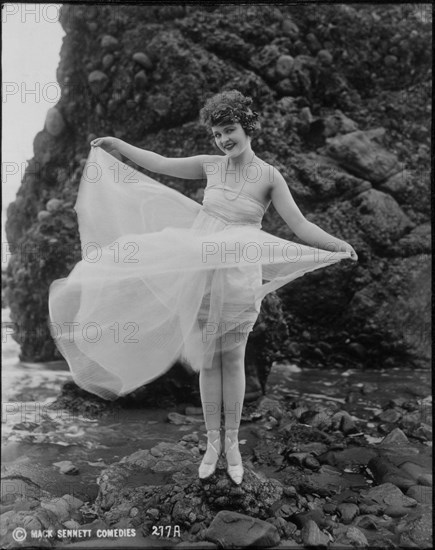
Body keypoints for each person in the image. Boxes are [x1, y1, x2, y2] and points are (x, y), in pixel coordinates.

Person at [49, 90, 357, 486]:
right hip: (202, 272)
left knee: (234, 359)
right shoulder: (210, 166)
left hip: (240, 274)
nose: (224, 139)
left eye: (229, 130)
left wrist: (336, 244)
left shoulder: (269, 177)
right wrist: (117, 145)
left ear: (247, 126)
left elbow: (299, 226)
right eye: (217, 133)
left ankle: (233, 444)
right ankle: (213, 442)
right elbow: (159, 164)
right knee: (209, 360)